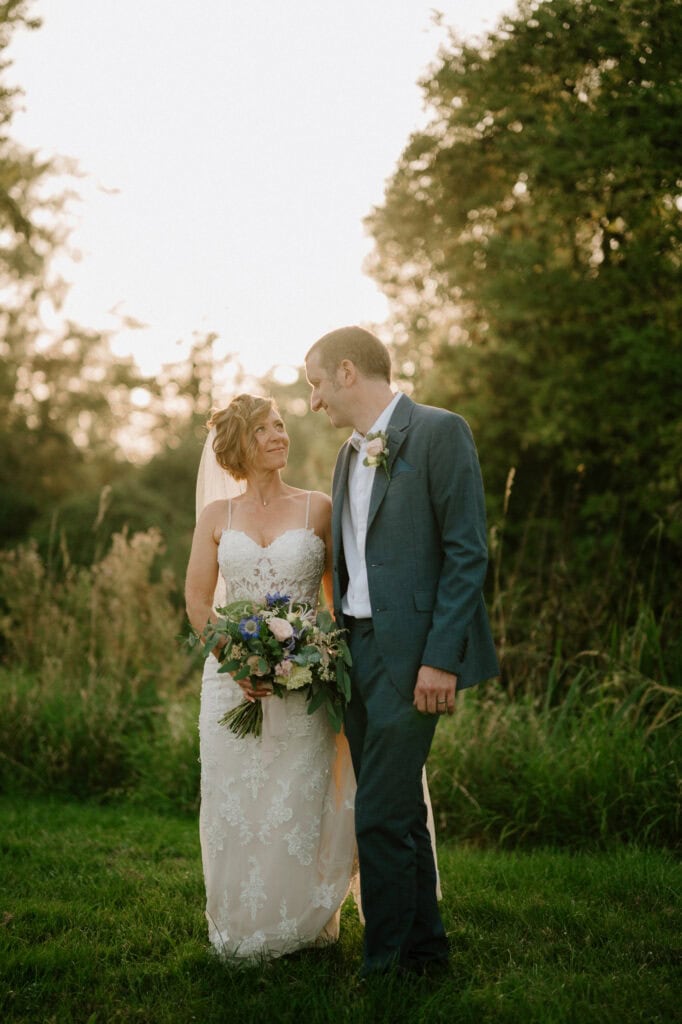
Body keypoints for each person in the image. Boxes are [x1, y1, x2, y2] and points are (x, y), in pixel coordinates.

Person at [305, 326, 499, 978]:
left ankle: (382, 970)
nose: (312, 402)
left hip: (415, 654)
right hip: (356, 650)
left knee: (381, 815)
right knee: (402, 810)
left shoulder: (441, 432)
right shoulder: (345, 455)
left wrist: (441, 657)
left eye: (315, 385)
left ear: (348, 371)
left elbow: (467, 552)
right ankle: (425, 953)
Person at [185, 393, 357, 961]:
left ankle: (303, 924)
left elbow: (337, 604)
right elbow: (196, 602)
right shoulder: (217, 517)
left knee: (297, 799)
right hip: (230, 680)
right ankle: (239, 924)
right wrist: (237, 662)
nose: (280, 435)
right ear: (239, 446)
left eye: (281, 425)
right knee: (235, 799)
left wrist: (312, 656)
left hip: (305, 683)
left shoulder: (318, 509)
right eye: (264, 429)